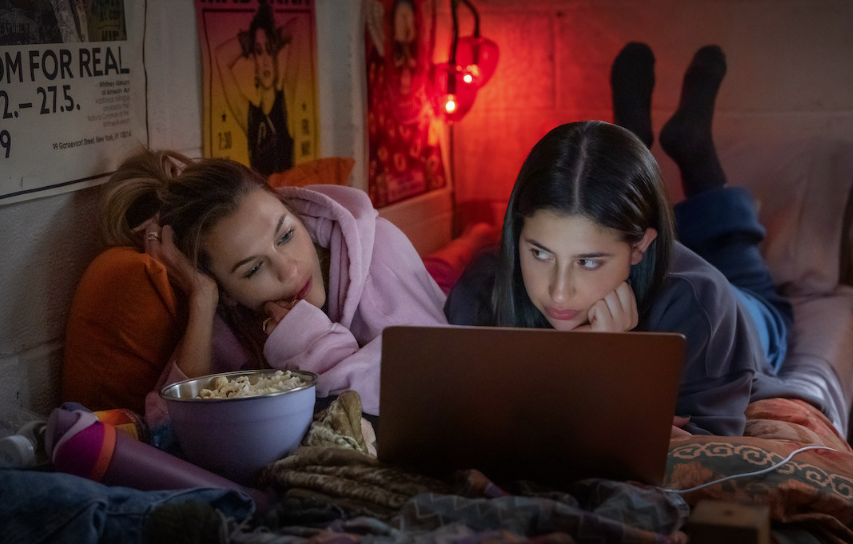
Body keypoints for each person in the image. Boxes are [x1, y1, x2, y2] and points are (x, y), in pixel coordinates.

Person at [445, 44, 808, 438]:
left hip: (738, 308)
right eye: (540, 253)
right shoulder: (484, 286)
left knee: (755, 291)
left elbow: (710, 447)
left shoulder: (700, 302)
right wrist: (590, 365)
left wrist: (616, 372)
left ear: (639, 247)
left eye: (587, 262)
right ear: (517, 232)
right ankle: (633, 149)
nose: (559, 294)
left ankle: (696, 153)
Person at [100, 148, 448, 425]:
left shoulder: (377, 251)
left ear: (293, 209)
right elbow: (166, 429)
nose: (290, 269)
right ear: (228, 293)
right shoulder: (232, 314)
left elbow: (441, 392)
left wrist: (312, 343)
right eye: (253, 269)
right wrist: (202, 300)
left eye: (286, 234)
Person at [216, 0, 299, 176]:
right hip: (259, 201)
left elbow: (297, 28)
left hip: (285, 201)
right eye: (259, 51)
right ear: (253, 59)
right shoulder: (250, 117)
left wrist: (274, 37)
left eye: (270, 50)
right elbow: (221, 57)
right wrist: (250, 40)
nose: (266, 61)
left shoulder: (287, 103)